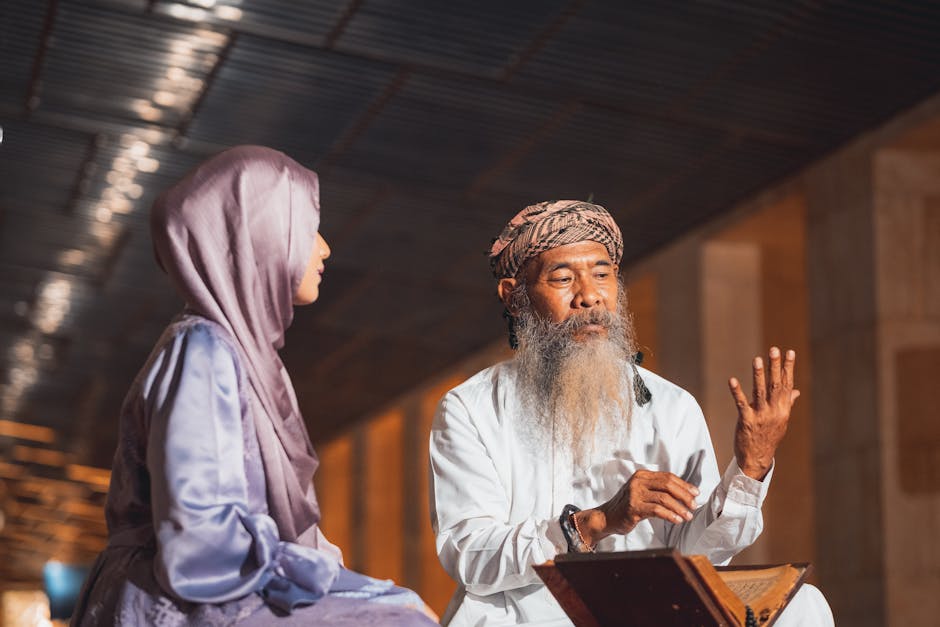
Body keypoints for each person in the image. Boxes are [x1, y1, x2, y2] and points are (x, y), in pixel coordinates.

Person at [72, 146, 437, 626]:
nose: (324, 247)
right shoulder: (203, 348)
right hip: (180, 598)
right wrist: (369, 595)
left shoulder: (236, 354)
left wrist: (370, 591)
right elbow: (203, 540)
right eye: (307, 228)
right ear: (258, 235)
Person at [428, 200, 834, 626]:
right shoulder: (471, 408)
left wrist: (751, 469)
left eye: (602, 275)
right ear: (514, 296)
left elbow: (701, 556)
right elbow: (470, 555)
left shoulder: (670, 405)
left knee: (802, 605)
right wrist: (596, 522)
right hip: (523, 617)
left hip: (642, 614)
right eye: (563, 278)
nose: (589, 296)